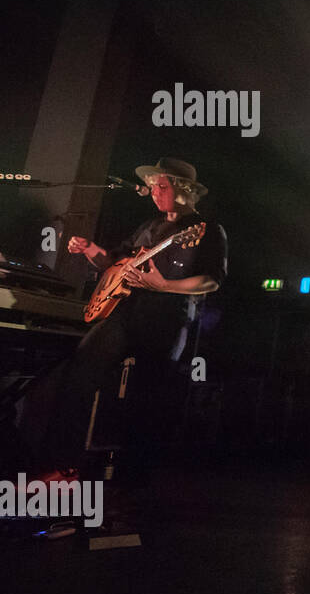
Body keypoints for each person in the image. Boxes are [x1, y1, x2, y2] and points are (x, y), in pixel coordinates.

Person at [48, 158, 227, 477]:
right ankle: (63, 465)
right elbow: (114, 263)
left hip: (167, 321)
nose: (154, 191)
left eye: (162, 185)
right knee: (81, 369)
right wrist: (89, 248)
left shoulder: (206, 230)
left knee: (148, 398)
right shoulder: (149, 227)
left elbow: (211, 280)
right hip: (126, 314)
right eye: (153, 185)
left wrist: (165, 285)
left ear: (183, 190)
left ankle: (136, 480)